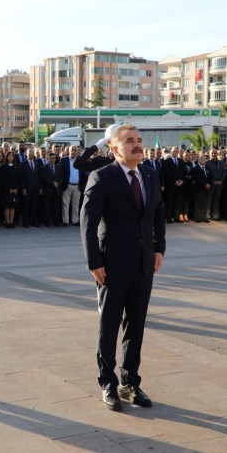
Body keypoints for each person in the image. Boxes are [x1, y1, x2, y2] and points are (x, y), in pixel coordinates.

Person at [80, 124, 166, 412]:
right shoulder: (102, 177)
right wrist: (94, 262)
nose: (137, 144)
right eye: (130, 140)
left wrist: (159, 248)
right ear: (114, 148)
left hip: (143, 262)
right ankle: (108, 383)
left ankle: (130, 382)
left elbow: (158, 213)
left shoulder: (150, 174)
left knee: (136, 325)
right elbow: (88, 223)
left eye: (139, 139)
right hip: (112, 265)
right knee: (109, 325)